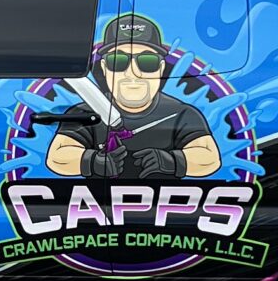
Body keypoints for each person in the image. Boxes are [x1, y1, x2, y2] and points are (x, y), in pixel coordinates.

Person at [45, 14, 222, 181]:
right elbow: (56, 157)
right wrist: (92, 162)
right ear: (105, 68)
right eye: (118, 61)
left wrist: (171, 161)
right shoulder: (84, 111)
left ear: (161, 68)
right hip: (90, 208)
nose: (133, 72)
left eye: (147, 62)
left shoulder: (182, 113)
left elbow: (210, 158)